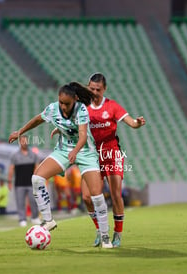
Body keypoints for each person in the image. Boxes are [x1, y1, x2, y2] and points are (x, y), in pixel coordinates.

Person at [9, 82, 113, 248]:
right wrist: (20, 132)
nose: (63, 107)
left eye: (67, 104)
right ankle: (48, 220)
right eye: (61, 103)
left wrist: (75, 151)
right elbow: (37, 119)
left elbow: (83, 136)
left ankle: (105, 235)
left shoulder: (81, 110)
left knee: (96, 195)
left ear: (75, 100)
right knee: (36, 178)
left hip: (85, 152)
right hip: (64, 151)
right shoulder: (52, 109)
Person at [84, 73, 146, 248]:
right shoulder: (83, 108)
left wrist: (137, 123)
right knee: (87, 197)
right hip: (91, 155)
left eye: (98, 89)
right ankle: (100, 230)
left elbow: (131, 122)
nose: (94, 92)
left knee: (115, 194)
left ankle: (117, 233)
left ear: (104, 89)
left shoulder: (112, 106)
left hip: (111, 154)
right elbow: (74, 124)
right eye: (92, 88)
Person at [8, 135, 40, 227]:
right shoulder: (15, 155)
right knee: (20, 202)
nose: (24, 142)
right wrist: (9, 181)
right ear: (19, 142)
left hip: (31, 183)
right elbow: (11, 169)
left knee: (33, 201)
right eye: (22, 141)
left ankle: (35, 217)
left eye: (25, 141)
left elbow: (37, 168)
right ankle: (22, 219)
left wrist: (37, 180)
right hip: (19, 184)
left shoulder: (33, 155)